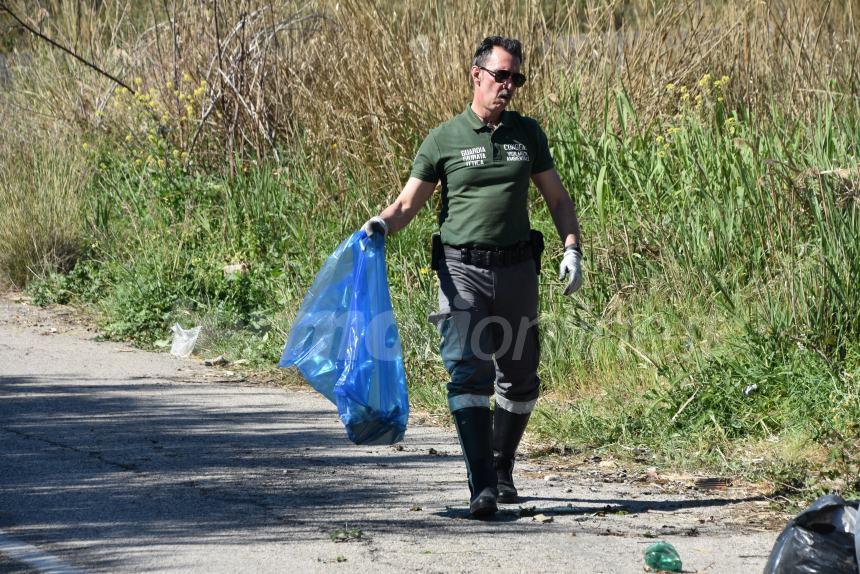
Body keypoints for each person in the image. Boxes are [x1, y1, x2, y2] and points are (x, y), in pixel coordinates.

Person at [362, 36, 583, 517]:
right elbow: (406, 205)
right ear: (476, 75)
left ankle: (502, 467)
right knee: (469, 369)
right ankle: (481, 483)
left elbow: (558, 200)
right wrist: (378, 225)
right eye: (501, 75)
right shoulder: (444, 138)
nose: (509, 86)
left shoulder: (528, 134)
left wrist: (572, 250)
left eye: (516, 78)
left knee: (521, 377)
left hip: (518, 269)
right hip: (461, 269)